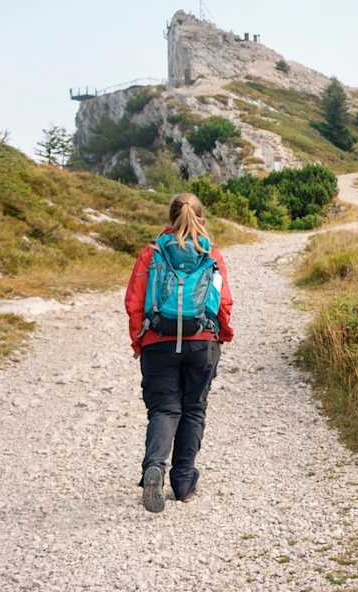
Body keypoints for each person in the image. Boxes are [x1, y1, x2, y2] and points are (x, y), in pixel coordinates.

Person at [124, 192, 234, 513]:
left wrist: (139, 341)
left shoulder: (152, 252)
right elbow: (223, 302)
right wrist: (222, 334)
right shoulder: (211, 253)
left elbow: (134, 302)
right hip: (202, 342)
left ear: (170, 217)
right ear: (201, 216)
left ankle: (154, 468)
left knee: (164, 409)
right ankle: (183, 483)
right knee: (194, 409)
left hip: (158, 341)